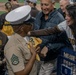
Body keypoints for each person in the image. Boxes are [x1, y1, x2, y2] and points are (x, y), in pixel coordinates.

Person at [4, 5, 40, 75]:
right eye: (29, 23)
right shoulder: (13, 47)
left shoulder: (26, 37)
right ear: (22, 28)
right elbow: (21, 73)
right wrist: (33, 55)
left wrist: (36, 50)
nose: (31, 25)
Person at [32, 0, 65, 75]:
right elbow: (35, 32)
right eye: (42, 4)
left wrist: (48, 47)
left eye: (46, 5)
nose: (43, 7)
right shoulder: (39, 14)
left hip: (50, 58)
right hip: (36, 56)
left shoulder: (60, 19)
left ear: (53, 4)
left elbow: (63, 43)